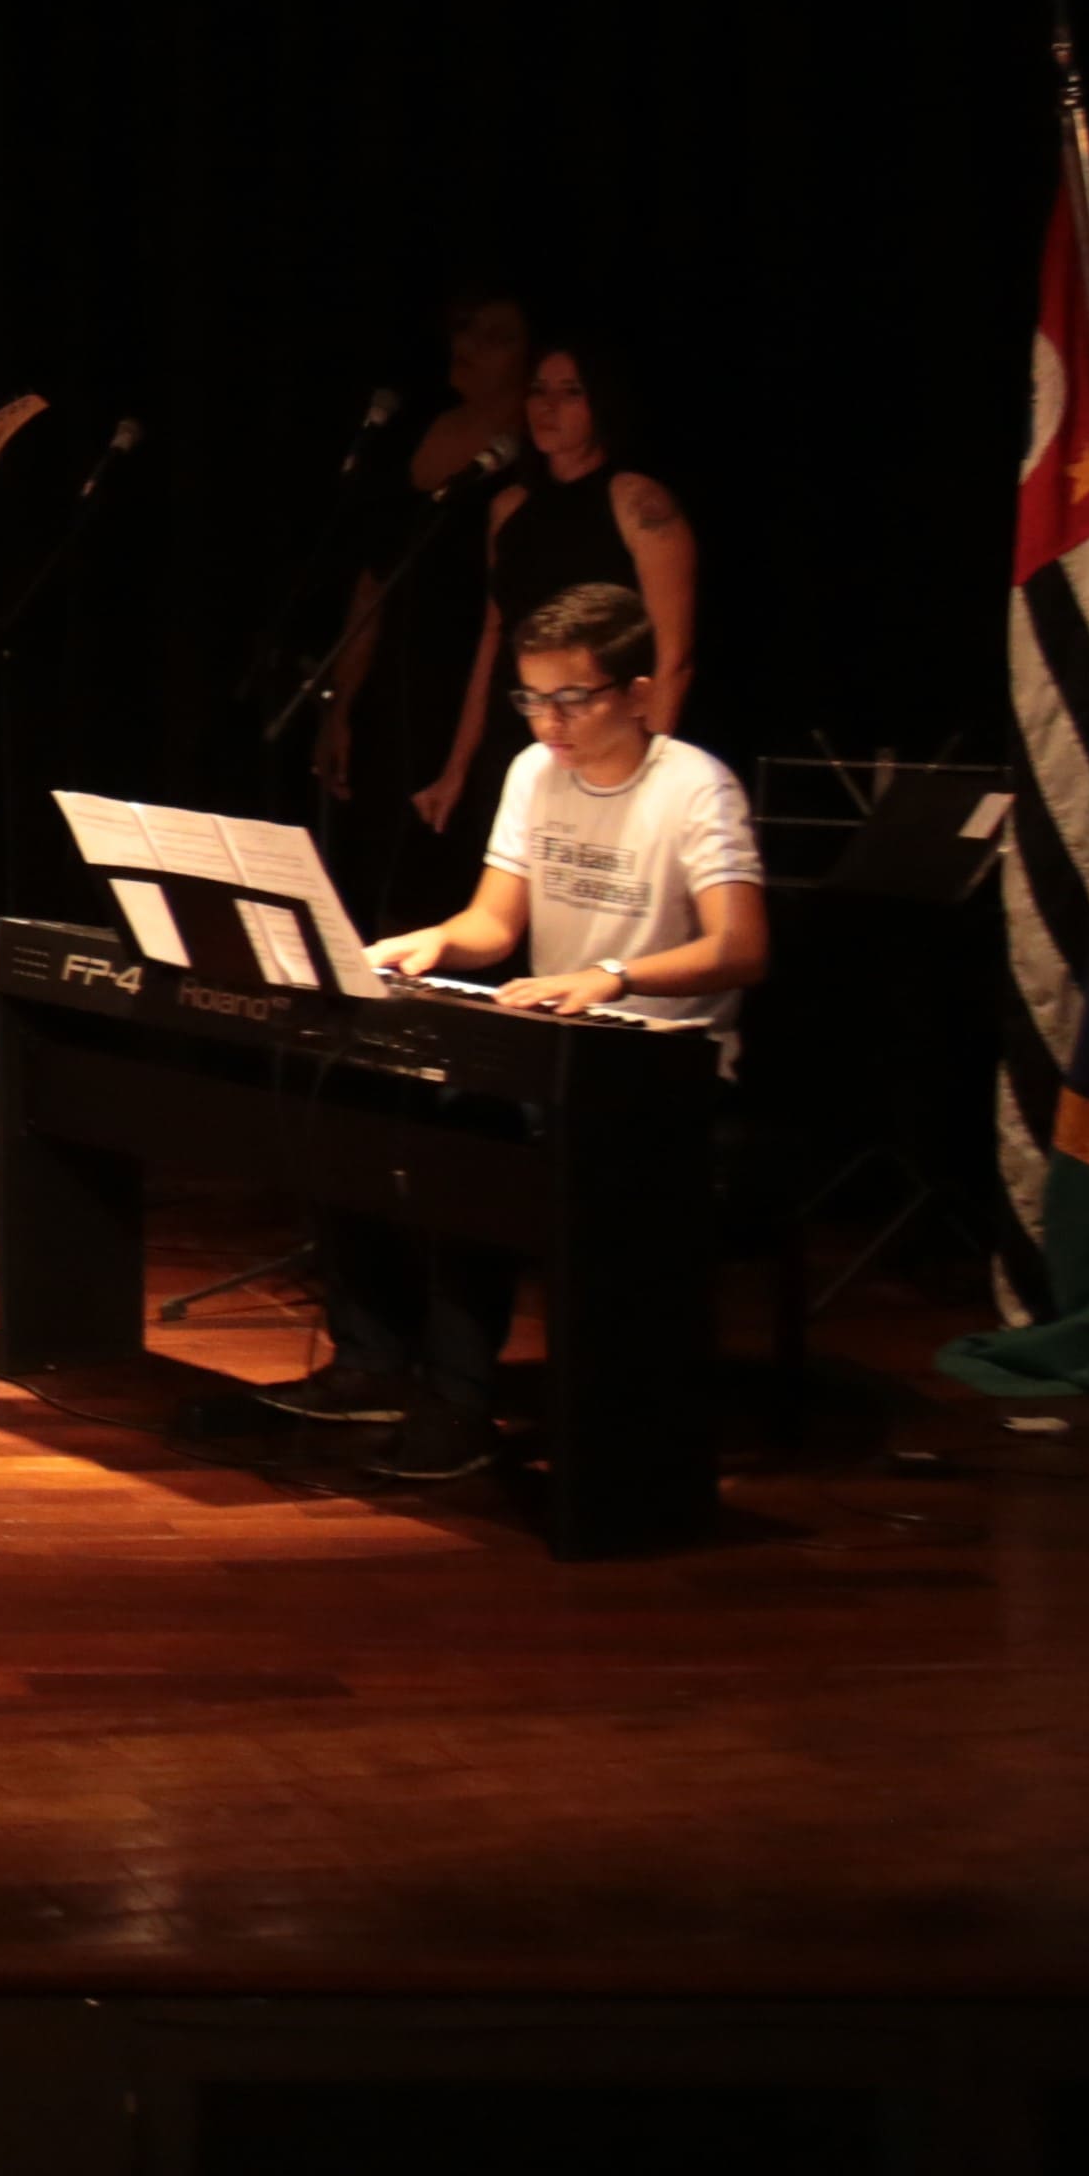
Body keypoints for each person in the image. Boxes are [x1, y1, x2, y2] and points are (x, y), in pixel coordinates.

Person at [306, 578, 769, 1481]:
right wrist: (432, 942)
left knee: (471, 1138)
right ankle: (371, 1360)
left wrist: (612, 976)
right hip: (557, 1050)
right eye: (530, 699)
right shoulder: (532, 772)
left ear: (637, 695)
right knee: (358, 1100)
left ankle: (459, 1404)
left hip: (661, 1064)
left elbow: (741, 947)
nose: (548, 722)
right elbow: (493, 924)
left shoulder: (693, 787)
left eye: (572, 698)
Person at [406, 339, 702, 849]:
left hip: (606, 733)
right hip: (519, 728)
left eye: (570, 392)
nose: (548, 406)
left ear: (600, 404)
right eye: (539, 391)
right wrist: (458, 768)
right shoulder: (508, 507)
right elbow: (493, 640)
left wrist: (646, 778)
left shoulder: (637, 501)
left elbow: (673, 656)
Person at [311, 286, 533, 923]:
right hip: (392, 690)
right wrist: (342, 703)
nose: (469, 346)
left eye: (495, 337)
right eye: (464, 328)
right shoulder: (417, 430)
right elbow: (373, 578)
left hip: (474, 694)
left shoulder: (530, 455)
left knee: (441, 872)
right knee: (365, 869)